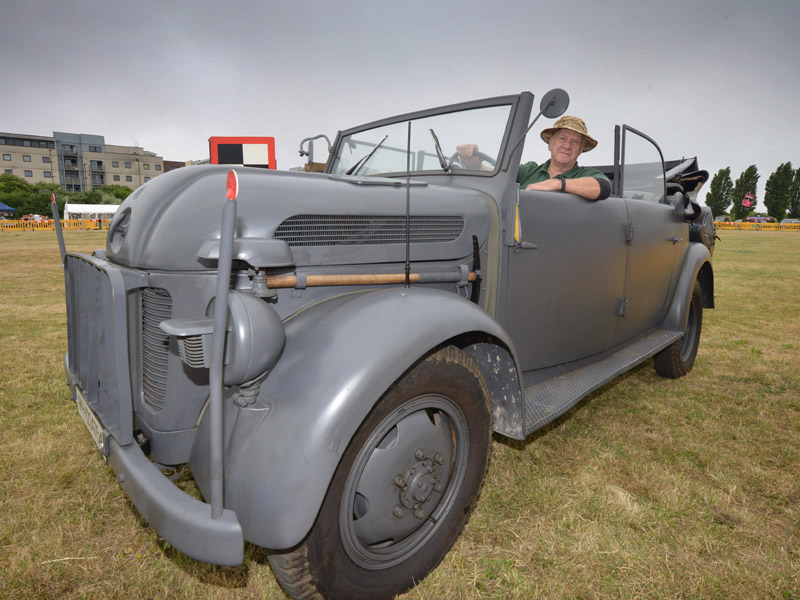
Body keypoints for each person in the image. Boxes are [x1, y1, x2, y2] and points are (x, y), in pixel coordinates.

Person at [457, 115, 611, 200]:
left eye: (575, 142)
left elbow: (604, 187)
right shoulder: (529, 171)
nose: (567, 145)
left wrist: (558, 184)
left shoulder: (585, 175)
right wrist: (474, 164)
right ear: (550, 144)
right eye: (562, 139)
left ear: (581, 150)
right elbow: (496, 175)